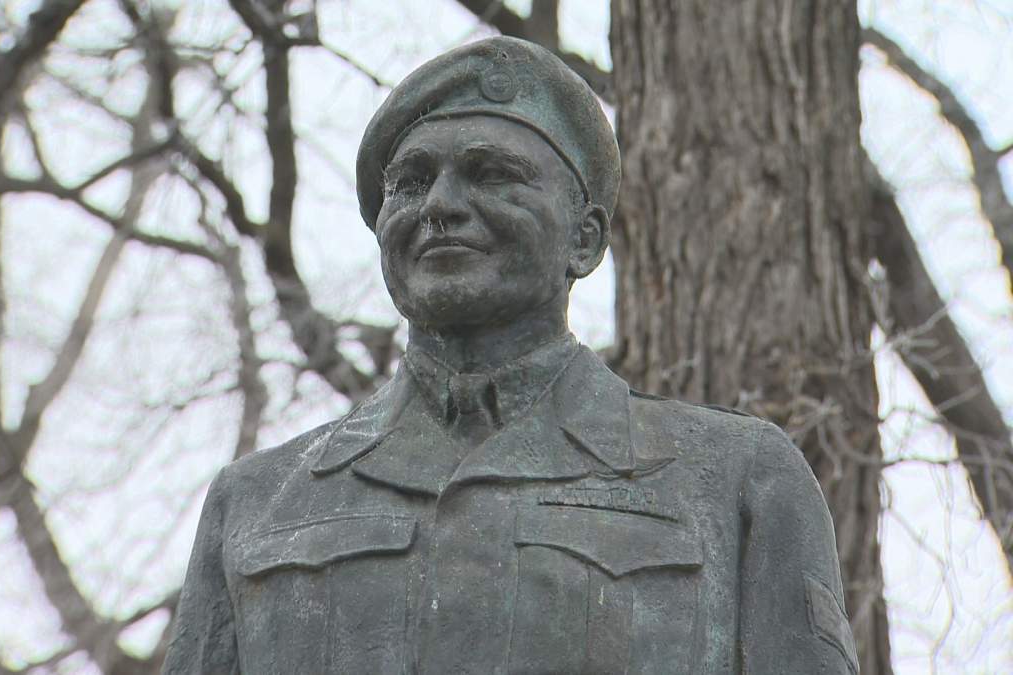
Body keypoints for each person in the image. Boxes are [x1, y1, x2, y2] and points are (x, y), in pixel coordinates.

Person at [162, 36, 859, 675]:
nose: (439, 205)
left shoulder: (736, 480)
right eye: (410, 182)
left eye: (491, 174)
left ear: (583, 241)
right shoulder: (255, 504)